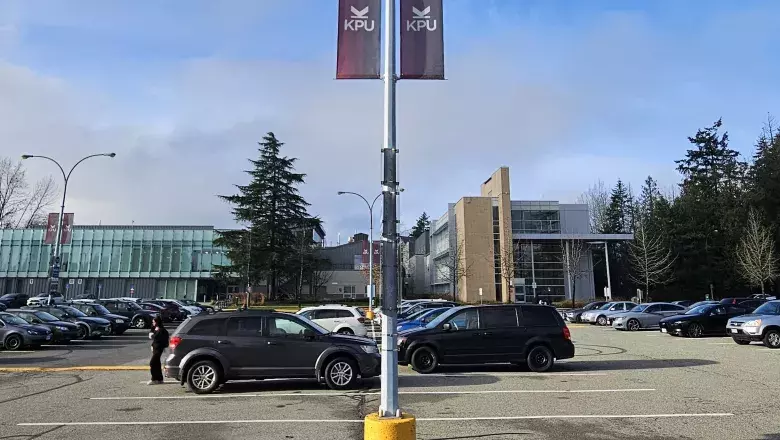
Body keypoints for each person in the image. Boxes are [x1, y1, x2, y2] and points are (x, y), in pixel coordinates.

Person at [148, 316, 169, 385]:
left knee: (152, 363)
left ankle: (154, 379)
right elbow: (152, 331)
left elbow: (156, 337)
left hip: (159, 349)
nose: (153, 323)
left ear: (157, 322)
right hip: (155, 348)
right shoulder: (156, 328)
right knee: (157, 363)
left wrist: (152, 335)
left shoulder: (161, 330)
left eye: (154, 322)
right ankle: (159, 379)